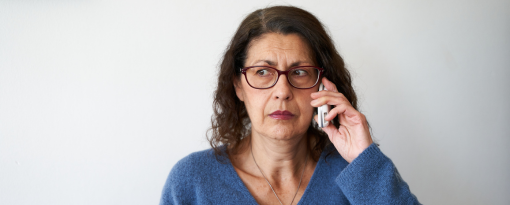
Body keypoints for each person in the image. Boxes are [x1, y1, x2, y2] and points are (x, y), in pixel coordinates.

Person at [160, 5, 420, 205]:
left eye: (299, 72)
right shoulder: (192, 182)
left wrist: (364, 160)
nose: (282, 92)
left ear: (322, 85)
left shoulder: (357, 176)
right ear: (238, 86)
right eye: (262, 72)